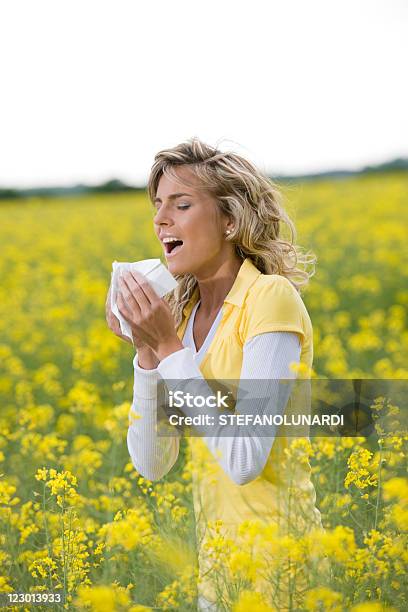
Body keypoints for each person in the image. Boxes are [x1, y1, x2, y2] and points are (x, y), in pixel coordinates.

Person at [106, 138, 326, 611]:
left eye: (181, 204)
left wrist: (167, 348)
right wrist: (148, 352)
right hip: (219, 577)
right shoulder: (181, 318)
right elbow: (152, 463)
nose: (160, 219)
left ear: (230, 219)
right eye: (158, 206)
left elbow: (246, 460)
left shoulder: (270, 297)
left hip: (284, 575)